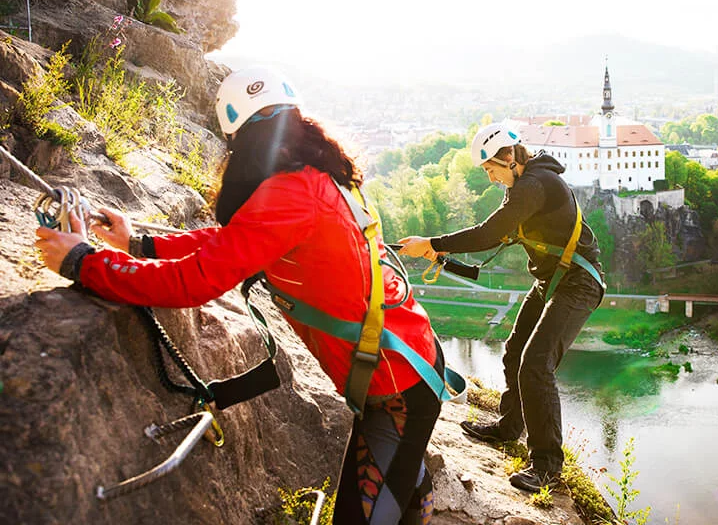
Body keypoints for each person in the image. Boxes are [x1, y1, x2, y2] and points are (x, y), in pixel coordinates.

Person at [34, 65, 442, 525]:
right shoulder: (317, 177)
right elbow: (238, 240)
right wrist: (136, 244)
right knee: (403, 474)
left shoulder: (292, 192)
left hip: (394, 386)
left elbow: (194, 282)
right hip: (407, 358)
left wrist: (83, 262)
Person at [398, 122, 605, 493]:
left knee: (536, 363)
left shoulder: (534, 187)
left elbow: (487, 233)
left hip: (578, 283)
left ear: (509, 157)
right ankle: (509, 428)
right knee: (513, 353)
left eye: (492, 170)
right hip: (553, 281)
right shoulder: (524, 189)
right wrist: (441, 252)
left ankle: (546, 466)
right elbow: (495, 237)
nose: (492, 179)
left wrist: (431, 240)